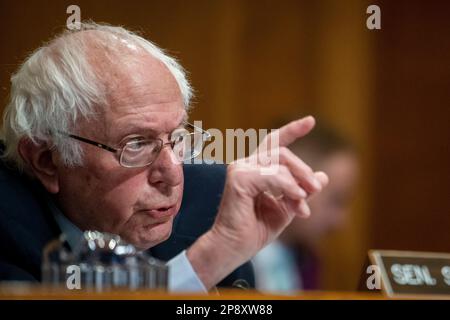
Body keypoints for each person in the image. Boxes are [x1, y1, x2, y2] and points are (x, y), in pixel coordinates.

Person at [0, 22, 328, 292]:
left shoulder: (209, 203)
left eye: (176, 138)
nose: (172, 173)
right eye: (137, 144)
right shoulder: (8, 230)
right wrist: (205, 264)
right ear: (46, 161)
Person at [253, 123, 358, 292]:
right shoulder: (229, 265)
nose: (341, 221)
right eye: (335, 200)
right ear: (285, 182)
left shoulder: (307, 261)